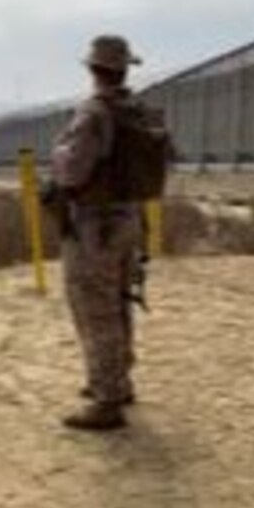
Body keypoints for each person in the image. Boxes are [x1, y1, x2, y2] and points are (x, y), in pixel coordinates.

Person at [49, 34, 146, 431]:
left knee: (94, 308)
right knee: (118, 301)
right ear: (124, 68)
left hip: (95, 227)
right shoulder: (135, 110)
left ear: (93, 69)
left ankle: (107, 400)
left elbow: (72, 171)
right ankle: (118, 382)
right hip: (128, 221)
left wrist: (58, 152)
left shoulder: (93, 114)